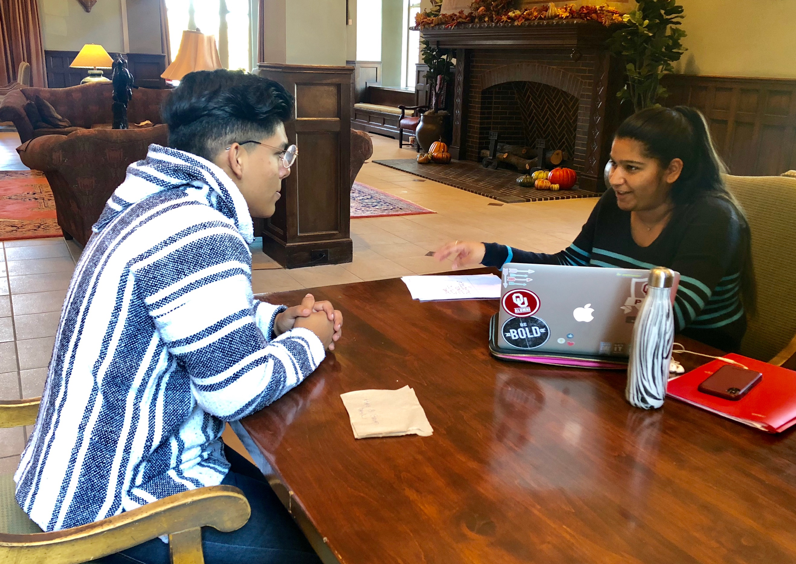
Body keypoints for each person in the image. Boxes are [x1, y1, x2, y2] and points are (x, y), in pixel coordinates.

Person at [14, 69, 342, 564]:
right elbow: (234, 392)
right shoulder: (199, 231)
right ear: (238, 156)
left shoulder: (153, 200)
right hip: (111, 511)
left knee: (287, 494)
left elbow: (185, 316)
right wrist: (311, 340)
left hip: (69, 478)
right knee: (320, 544)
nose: (286, 169)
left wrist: (273, 323)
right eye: (280, 154)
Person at [435, 106, 755, 352]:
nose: (615, 179)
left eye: (632, 168)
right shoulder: (615, 202)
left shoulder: (713, 219)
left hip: (695, 365)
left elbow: (668, 319)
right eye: (614, 164)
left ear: (672, 170)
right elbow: (567, 265)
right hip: (620, 351)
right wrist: (490, 253)